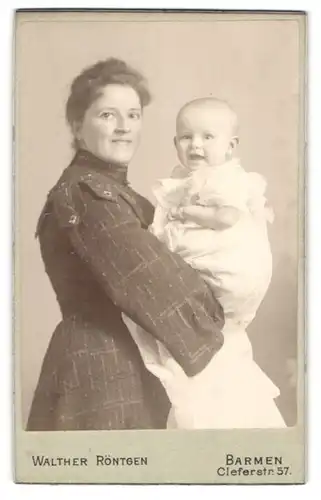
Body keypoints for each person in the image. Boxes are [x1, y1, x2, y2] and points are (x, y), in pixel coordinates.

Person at [26, 59, 224, 431]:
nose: (124, 128)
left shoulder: (110, 192)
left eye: (133, 115)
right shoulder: (89, 194)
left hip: (117, 366)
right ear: (76, 125)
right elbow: (161, 288)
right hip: (103, 376)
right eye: (107, 115)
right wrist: (225, 308)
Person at [123, 97, 286, 429]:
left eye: (207, 137)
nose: (195, 145)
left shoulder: (226, 180)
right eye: (186, 137)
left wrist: (187, 212)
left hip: (225, 264)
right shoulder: (185, 178)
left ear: (230, 146)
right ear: (175, 143)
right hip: (201, 268)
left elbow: (226, 217)